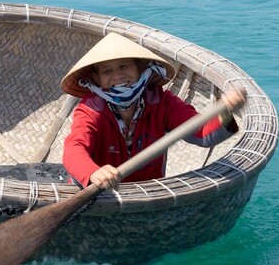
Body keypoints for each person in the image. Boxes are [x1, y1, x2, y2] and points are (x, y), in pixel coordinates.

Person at [61, 32, 247, 191]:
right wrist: (93, 173)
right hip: (99, 194)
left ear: (140, 68)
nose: (117, 76)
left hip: (147, 193)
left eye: (124, 66)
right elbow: (74, 148)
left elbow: (203, 134)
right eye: (107, 71)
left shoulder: (161, 101)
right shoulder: (92, 108)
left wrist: (225, 112)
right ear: (97, 79)